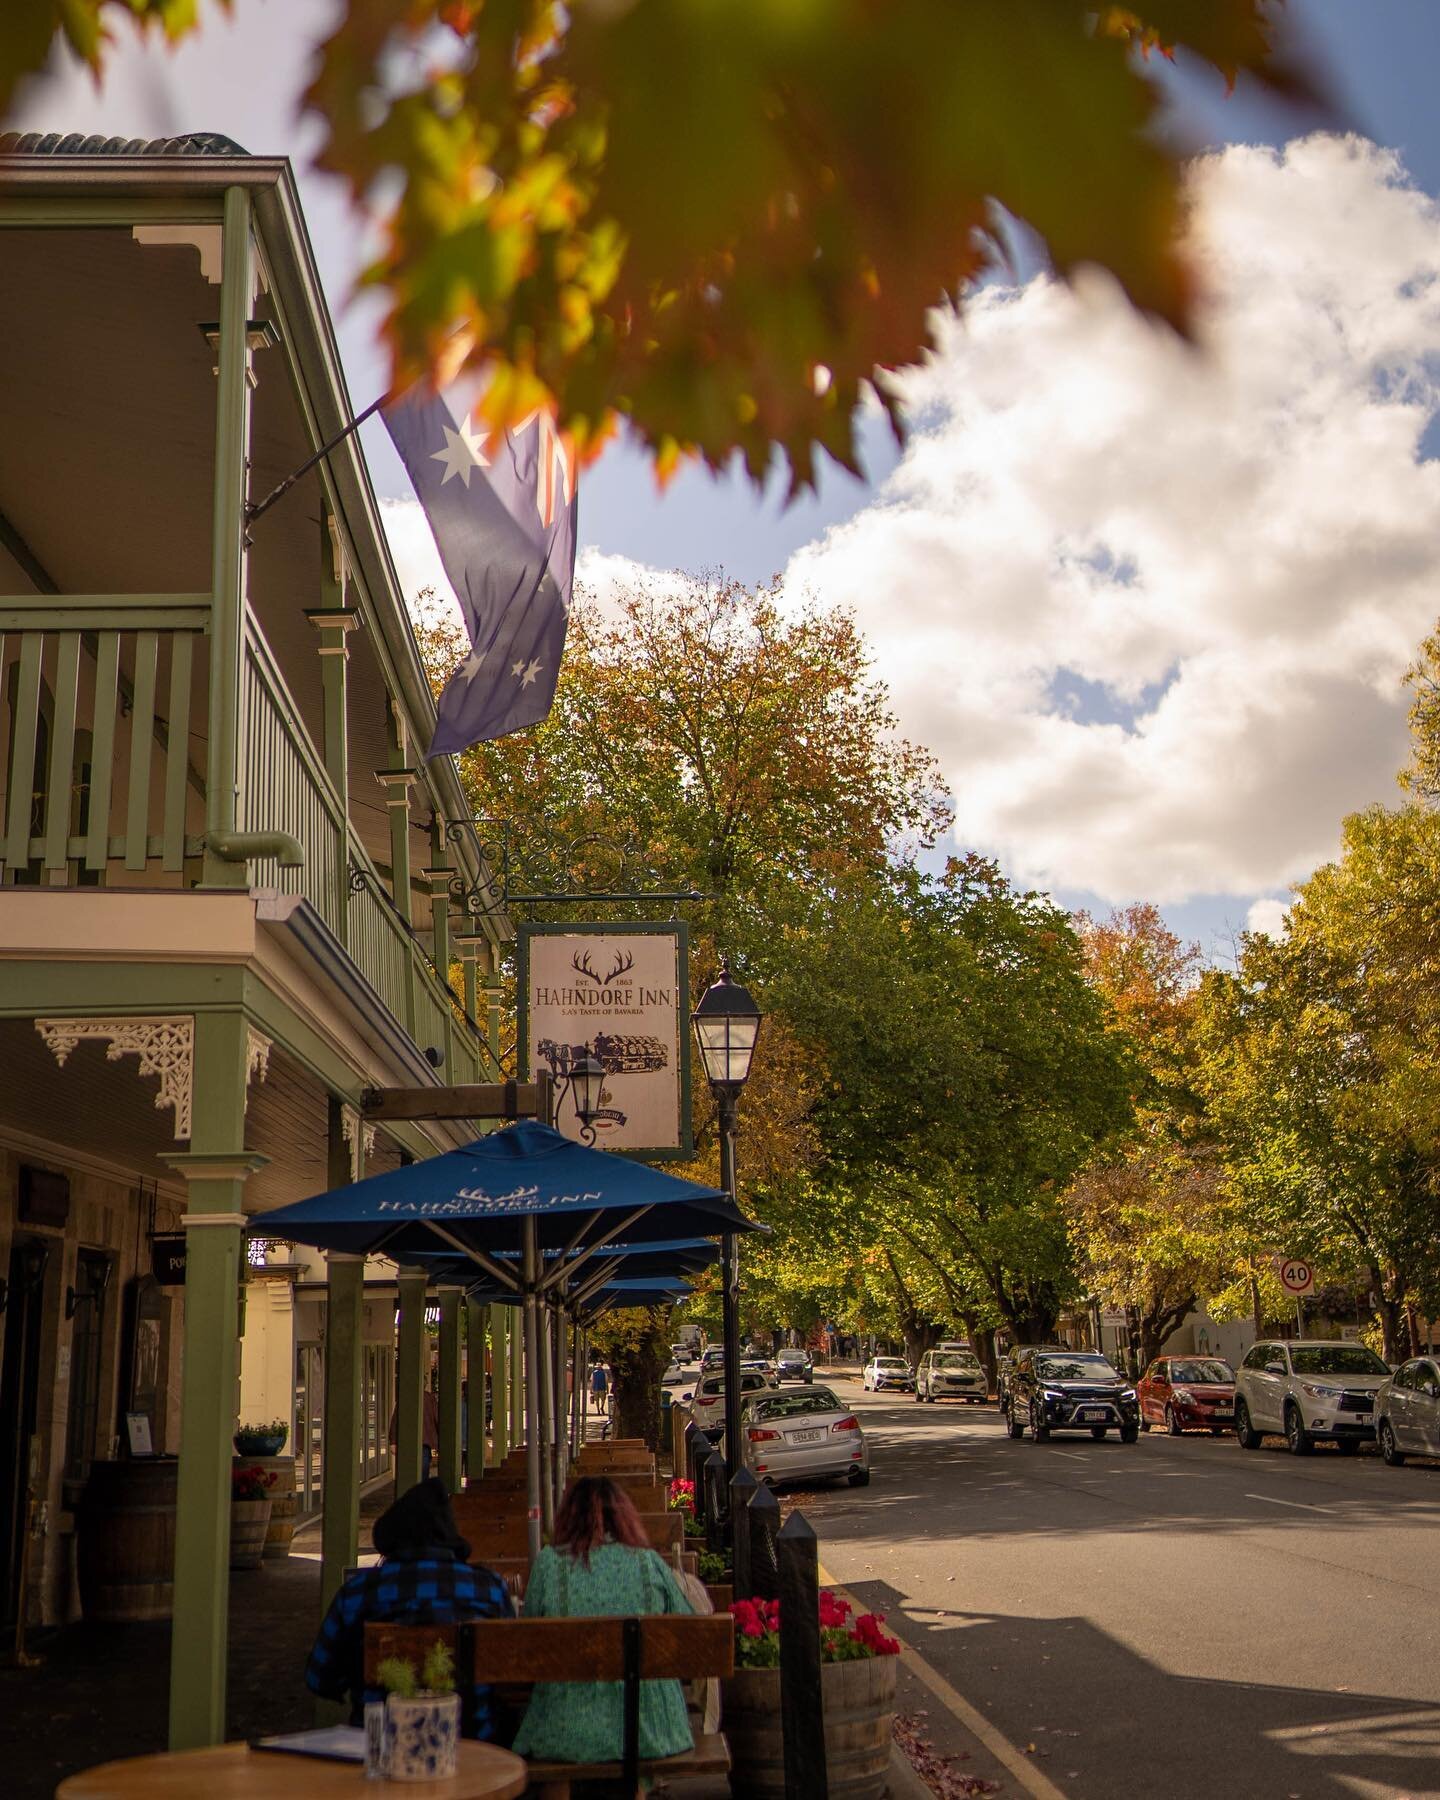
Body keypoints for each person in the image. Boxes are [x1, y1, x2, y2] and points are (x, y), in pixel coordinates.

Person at [305, 1477, 511, 1736]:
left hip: (381, 1749)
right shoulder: (489, 1589)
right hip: (474, 1747)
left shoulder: (358, 1593)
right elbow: (507, 1671)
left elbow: (320, 1679)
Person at [512, 1476, 694, 1768]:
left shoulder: (549, 1563)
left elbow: (528, 1640)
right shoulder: (648, 1562)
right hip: (650, 1728)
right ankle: (638, 1790)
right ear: (624, 1517)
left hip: (564, 1727)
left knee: (551, 1758)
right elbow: (688, 1629)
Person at [387, 1385, 442, 1479]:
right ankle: (422, 1490)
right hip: (425, 1441)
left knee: (408, 1471)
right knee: (423, 1471)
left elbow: (395, 1420)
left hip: (408, 1441)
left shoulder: (405, 1397)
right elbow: (437, 1419)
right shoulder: (429, 1398)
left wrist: (393, 1441)